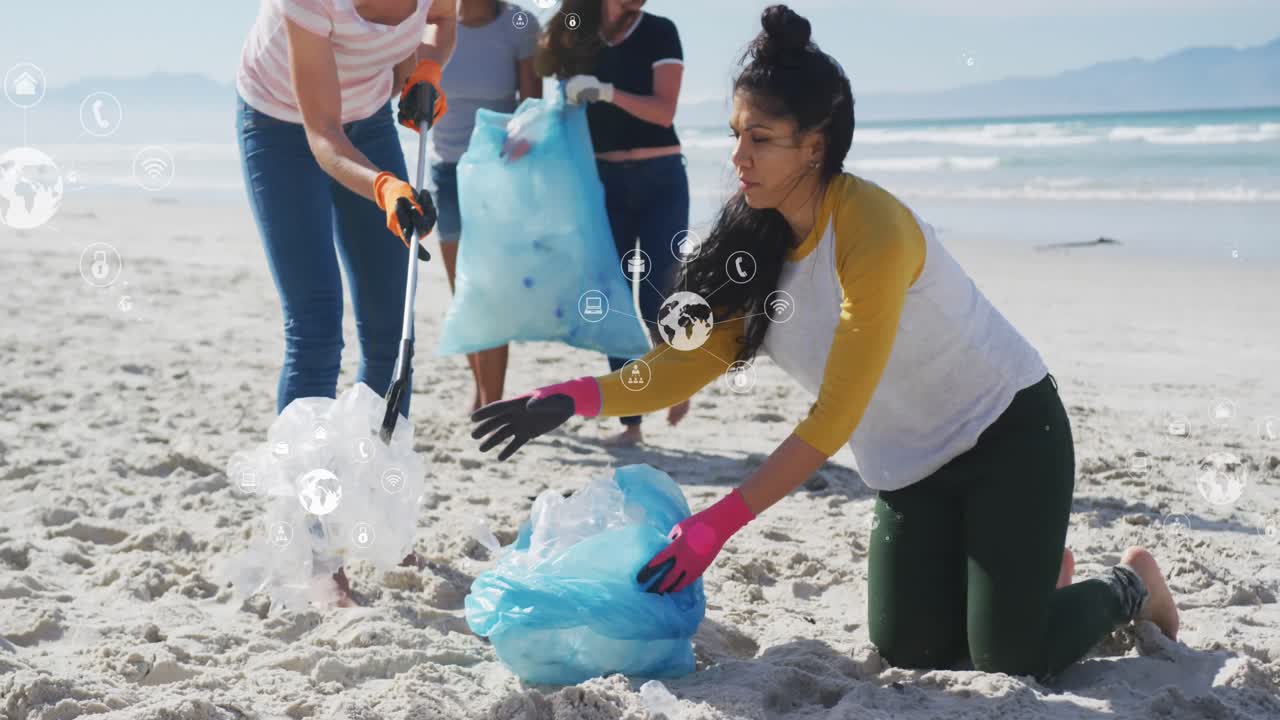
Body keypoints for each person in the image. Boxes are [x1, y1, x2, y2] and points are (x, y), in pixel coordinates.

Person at [470, 4, 1180, 681]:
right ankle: (1025, 579)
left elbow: (836, 415)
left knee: (1010, 656)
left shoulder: (871, 230)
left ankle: (1129, 585)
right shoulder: (757, 236)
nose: (739, 156)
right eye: (737, 134)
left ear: (815, 145)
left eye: (761, 139)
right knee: (908, 647)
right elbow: (684, 367)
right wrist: (571, 396)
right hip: (911, 467)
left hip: (1009, 435)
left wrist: (717, 524)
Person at [236, 0, 456, 416]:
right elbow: (323, 137)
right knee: (316, 326)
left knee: (391, 326)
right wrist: (384, 187)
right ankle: (306, 478)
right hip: (278, 127)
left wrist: (426, 69)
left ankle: (373, 469)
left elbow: (443, 19)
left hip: (368, 118)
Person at [525, 0, 692, 447]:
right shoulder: (575, 35)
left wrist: (607, 91)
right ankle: (631, 423)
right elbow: (556, 109)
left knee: (659, 294)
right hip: (603, 184)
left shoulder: (659, 30)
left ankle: (678, 380)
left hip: (661, 178)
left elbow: (664, 111)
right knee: (613, 299)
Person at [430, 0, 543, 413]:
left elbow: (533, 109)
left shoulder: (518, 24)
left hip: (498, 175)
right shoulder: (430, 21)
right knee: (463, 295)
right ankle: (482, 390)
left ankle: (491, 405)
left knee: (490, 294)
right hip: (447, 173)